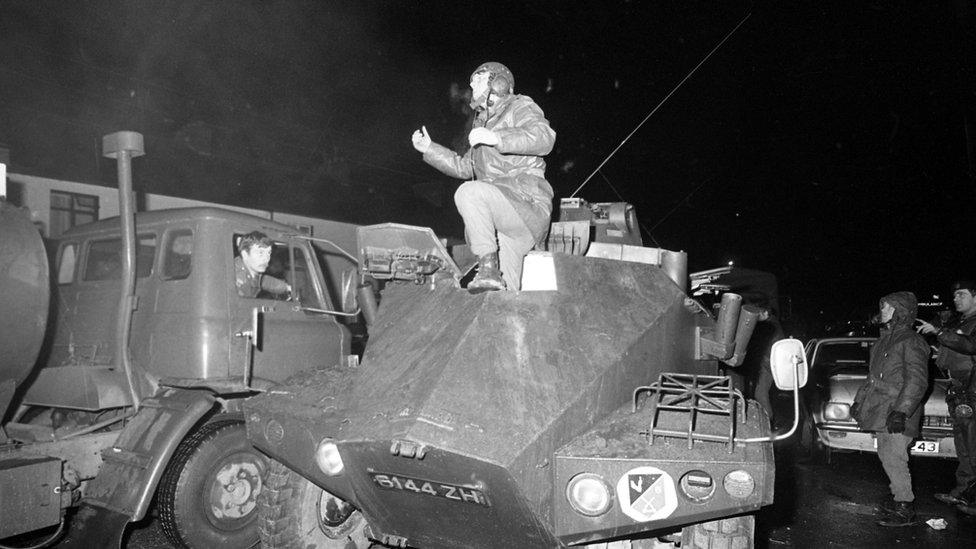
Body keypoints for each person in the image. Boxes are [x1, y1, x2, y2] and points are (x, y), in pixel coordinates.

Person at [411, 61, 556, 293]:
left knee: (469, 193)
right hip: (504, 226)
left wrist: (497, 138)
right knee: (501, 296)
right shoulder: (482, 124)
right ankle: (493, 279)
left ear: (498, 82)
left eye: (477, 78)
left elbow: (544, 137)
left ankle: (487, 268)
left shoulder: (519, 106)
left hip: (525, 205)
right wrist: (429, 149)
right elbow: (465, 167)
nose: (471, 84)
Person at [851, 292, 929, 527]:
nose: (881, 311)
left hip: (896, 411)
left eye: (886, 307)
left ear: (900, 310)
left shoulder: (911, 341)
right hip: (881, 409)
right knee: (888, 455)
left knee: (895, 457)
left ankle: (904, 507)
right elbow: (872, 379)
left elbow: (917, 381)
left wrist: (902, 411)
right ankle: (899, 498)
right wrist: (859, 402)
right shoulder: (884, 341)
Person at [916, 280, 976, 513]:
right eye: (955, 295)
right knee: (964, 447)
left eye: (962, 294)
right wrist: (941, 354)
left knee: (973, 446)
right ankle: (963, 493)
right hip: (960, 391)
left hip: (972, 392)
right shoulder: (963, 322)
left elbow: (970, 346)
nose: (956, 299)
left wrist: (939, 332)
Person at [750, 306, 784, 426]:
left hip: (768, 364)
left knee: (760, 394)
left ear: (766, 313)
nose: (757, 316)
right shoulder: (773, 324)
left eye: (759, 314)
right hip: (770, 363)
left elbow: (764, 346)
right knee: (761, 393)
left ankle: (768, 423)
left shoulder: (770, 326)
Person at [235, 231, 291, 298]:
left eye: (269, 253)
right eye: (260, 253)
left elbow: (263, 281)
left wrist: (286, 287)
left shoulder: (251, 271)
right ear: (245, 254)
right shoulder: (238, 278)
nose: (266, 259)